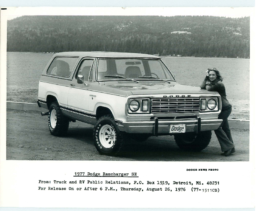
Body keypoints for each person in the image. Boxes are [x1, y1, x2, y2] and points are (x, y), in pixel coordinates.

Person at [200, 68, 235, 156]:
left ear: (217, 76)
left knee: (217, 127)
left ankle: (228, 147)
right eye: (210, 75)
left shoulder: (219, 84)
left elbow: (207, 88)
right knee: (225, 128)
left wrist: (207, 78)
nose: (211, 76)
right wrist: (206, 76)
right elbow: (201, 86)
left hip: (225, 108)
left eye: (213, 75)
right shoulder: (214, 83)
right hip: (221, 109)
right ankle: (231, 147)